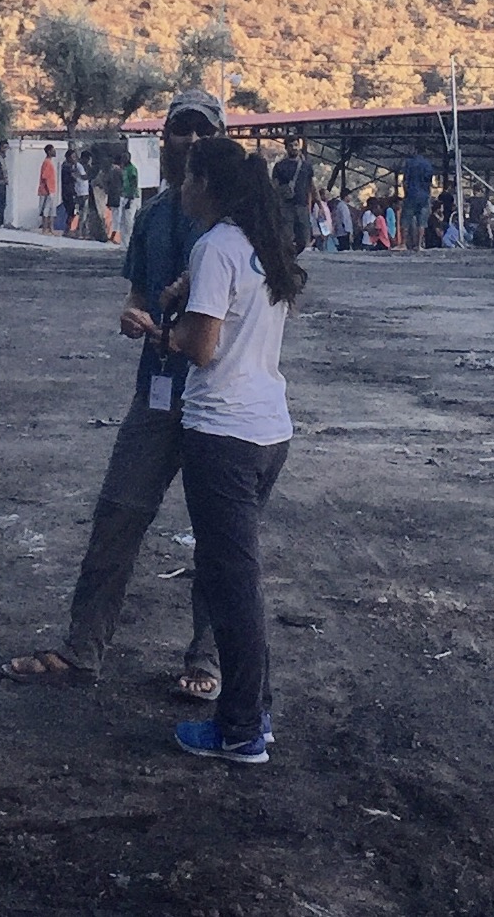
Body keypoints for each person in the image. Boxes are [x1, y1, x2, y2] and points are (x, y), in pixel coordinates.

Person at [4, 89, 226, 700]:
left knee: (218, 533)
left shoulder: (237, 220)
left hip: (219, 400)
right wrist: (131, 315)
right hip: (154, 394)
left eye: (205, 131)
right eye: (183, 129)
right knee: (119, 514)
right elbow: (135, 294)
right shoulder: (153, 218)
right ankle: (83, 649)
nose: (194, 141)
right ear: (166, 138)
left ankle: (209, 658)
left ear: (222, 139)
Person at [167, 134, 307, 762]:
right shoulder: (258, 247)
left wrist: (161, 331)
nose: (180, 186)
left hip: (221, 430)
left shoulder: (214, 248)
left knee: (231, 585)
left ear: (209, 186)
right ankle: (256, 713)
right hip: (267, 429)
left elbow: (202, 348)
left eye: (189, 177)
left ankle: (241, 728)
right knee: (239, 579)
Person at [271, 136, 317, 257]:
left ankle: (297, 257)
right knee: (287, 236)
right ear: (286, 148)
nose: (294, 148)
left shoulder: (306, 166)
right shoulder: (279, 166)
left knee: (304, 237)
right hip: (286, 206)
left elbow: (311, 185)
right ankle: (289, 260)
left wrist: (319, 204)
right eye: (291, 146)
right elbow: (274, 186)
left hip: (302, 206)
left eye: (296, 145)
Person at [400, 149, 435, 253]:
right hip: (424, 195)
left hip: (411, 194)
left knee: (406, 219)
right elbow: (429, 181)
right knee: (422, 221)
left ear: (415, 150)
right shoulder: (428, 164)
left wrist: (406, 194)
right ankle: (419, 245)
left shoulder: (409, 163)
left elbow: (405, 180)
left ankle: (403, 243)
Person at [37, 145, 59, 232]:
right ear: (49, 151)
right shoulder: (47, 163)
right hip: (47, 190)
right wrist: (49, 190)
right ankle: (46, 229)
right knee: (47, 210)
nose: (55, 152)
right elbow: (45, 177)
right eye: (53, 150)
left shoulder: (48, 162)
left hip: (49, 189)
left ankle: (49, 228)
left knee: (50, 210)